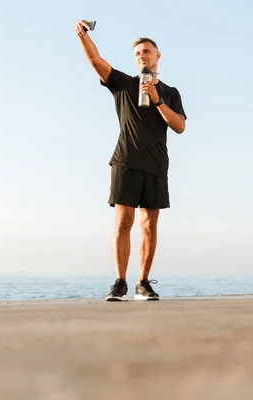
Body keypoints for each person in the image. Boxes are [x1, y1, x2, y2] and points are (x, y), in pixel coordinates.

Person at [74, 20, 187, 301]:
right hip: (125, 162)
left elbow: (180, 126)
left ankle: (143, 283)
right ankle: (120, 282)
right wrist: (81, 35)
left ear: (157, 56)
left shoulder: (171, 93)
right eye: (138, 53)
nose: (142, 56)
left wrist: (158, 100)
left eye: (147, 52)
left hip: (156, 165)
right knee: (124, 222)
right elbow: (94, 60)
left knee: (149, 225)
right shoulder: (123, 84)